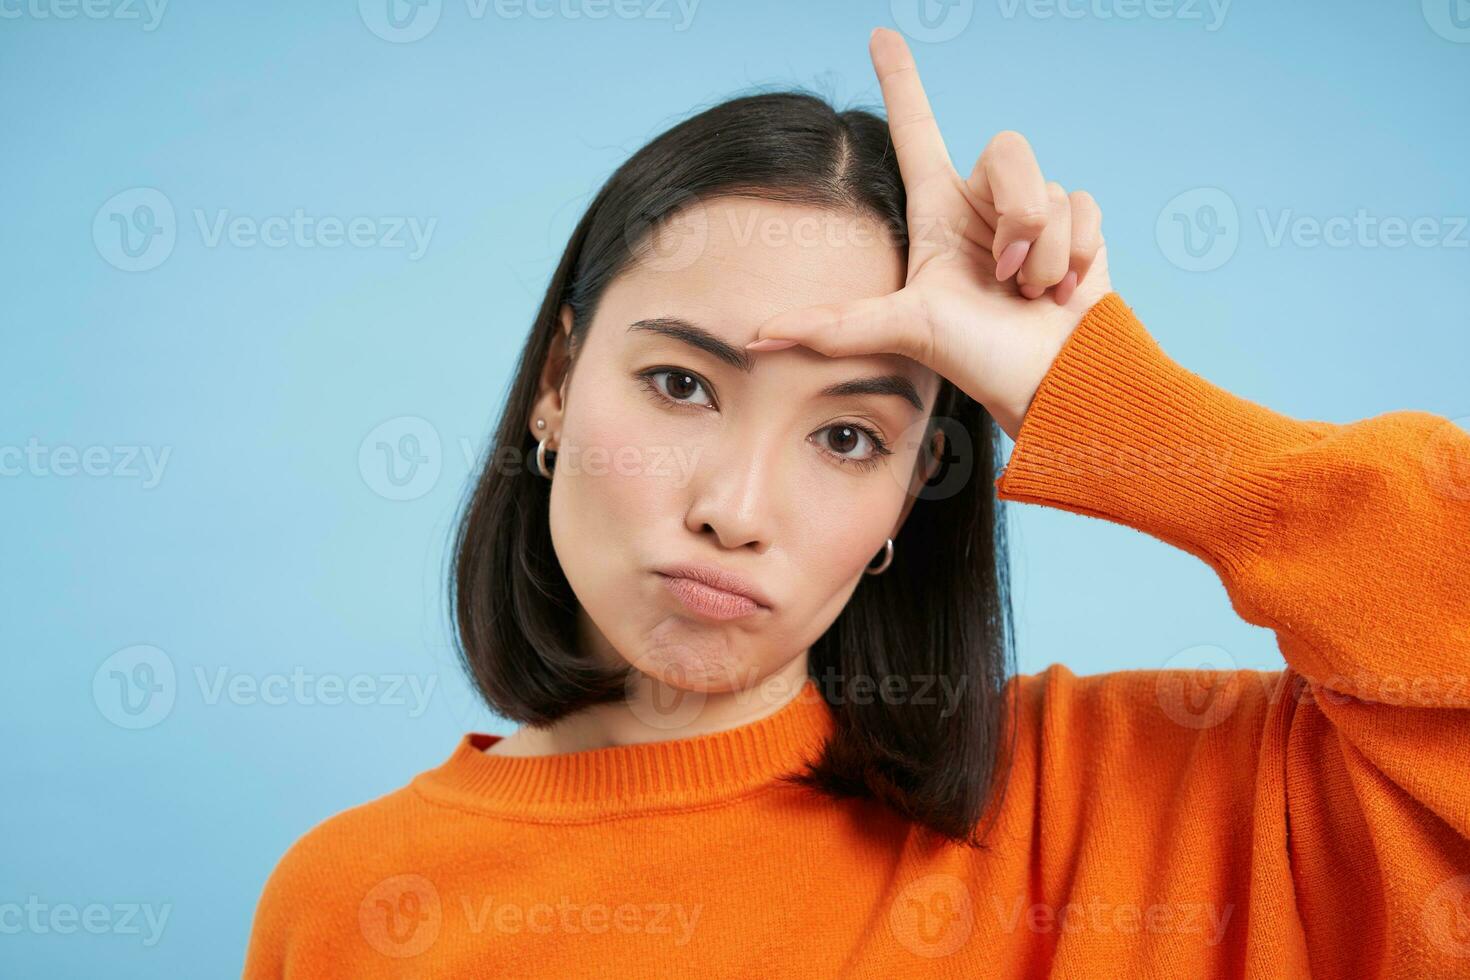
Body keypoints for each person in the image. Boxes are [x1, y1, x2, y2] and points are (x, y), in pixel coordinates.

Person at [242, 27, 1470, 978]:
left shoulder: (1137, 805)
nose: (735, 506)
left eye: (847, 434)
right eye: (680, 383)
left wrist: (1096, 394)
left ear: (908, 498)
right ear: (558, 382)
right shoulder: (357, 898)